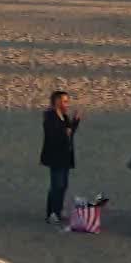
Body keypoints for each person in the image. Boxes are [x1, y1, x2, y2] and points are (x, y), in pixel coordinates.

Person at [40, 90, 81, 225]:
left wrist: (75, 121)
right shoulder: (50, 116)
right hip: (55, 156)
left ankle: (58, 211)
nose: (66, 104)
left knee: (63, 185)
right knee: (56, 185)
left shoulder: (64, 116)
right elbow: (52, 135)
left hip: (65, 156)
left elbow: (69, 133)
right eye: (64, 101)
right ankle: (51, 213)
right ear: (57, 101)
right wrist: (65, 133)